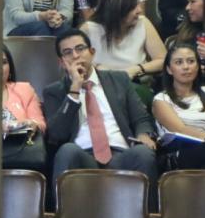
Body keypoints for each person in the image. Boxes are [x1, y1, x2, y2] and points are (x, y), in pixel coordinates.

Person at [44, 29, 159, 208]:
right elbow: (56, 134)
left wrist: (144, 134)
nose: (75, 55)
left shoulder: (118, 80)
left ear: (92, 52)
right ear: (61, 62)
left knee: (143, 153)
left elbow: (140, 118)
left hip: (121, 153)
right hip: (82, 155)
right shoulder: (54, 91)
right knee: (66, 151)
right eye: (67, 52)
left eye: (80, 48)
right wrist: (75, 89)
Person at [80, 0, 167, 106]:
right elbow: (76, 65)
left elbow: (163, 60)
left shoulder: (143, 23)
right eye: (133, 7)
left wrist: (136, 69)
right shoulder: (89, 29)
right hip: (101, 87)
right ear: (118, 8)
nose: (139, 10)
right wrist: (98, 71)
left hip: (136, 85)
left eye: (138, 5)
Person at [153, 42, 205, 170]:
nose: (186, 67)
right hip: (178, 155)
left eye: (191, 61)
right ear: (169, 69)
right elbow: (181, 129)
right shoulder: (161, 99)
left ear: (198, 66)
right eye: (179, 62)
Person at [1, 44, 47, 172]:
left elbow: (40, 123)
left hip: (19, 155)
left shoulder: (24, 89)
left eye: (4, 62)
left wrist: (29, 124)